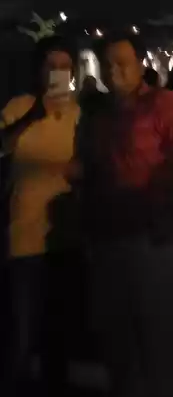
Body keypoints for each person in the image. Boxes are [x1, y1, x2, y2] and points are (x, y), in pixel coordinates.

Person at [79, 31, 173, 397]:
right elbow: (88, 165)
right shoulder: (97, 114)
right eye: (107, 64)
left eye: (122, 62)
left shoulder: (164, 104)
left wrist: (170, 201)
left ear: (140, 65)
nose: (113, 70)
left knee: (158, 333)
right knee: (117, 337)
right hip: (108, 236)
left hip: (155, 237)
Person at [1, 36, 81, 396]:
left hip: (66, 238)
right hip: (25, 237)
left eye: (65, 66)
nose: (58, 73)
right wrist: (34, 115)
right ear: (38, 70)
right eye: (51, 65)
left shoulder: (81, 113)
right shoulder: (19, 106)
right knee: (20, 336)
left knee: (60, 338)